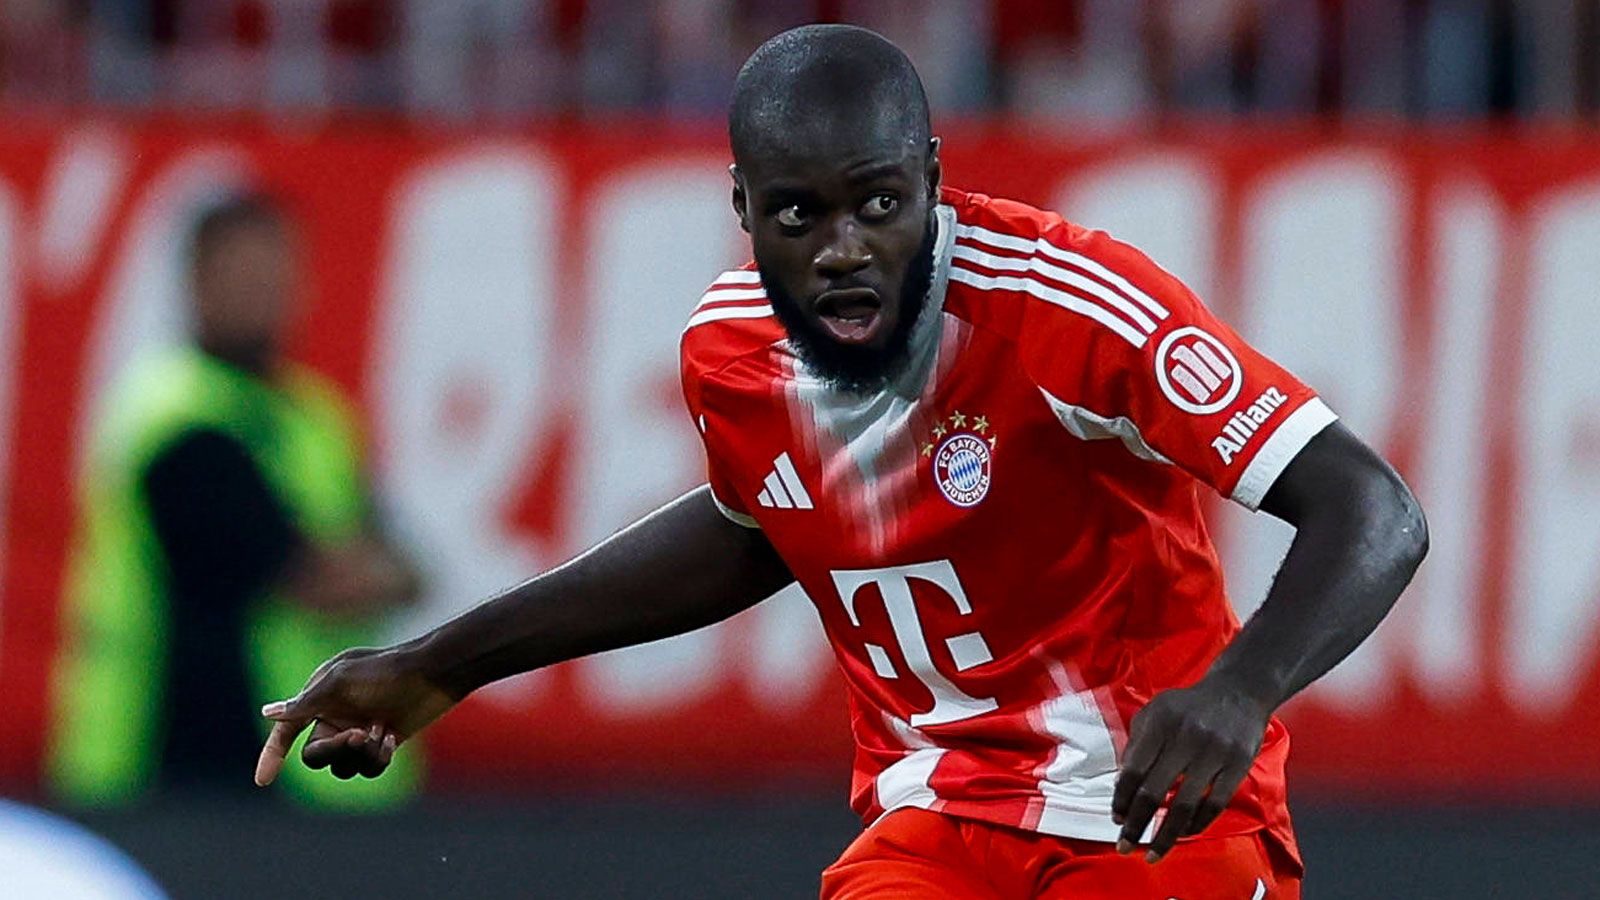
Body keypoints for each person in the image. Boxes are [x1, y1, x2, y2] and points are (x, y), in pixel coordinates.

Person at [253, 25, 1427, 898]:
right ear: (742, 208)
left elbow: (1372, 511)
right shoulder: (730, 356)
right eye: (798, 216)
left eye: (877, 203)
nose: (843, 250)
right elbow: (751, 532)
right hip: (936, 818)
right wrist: (440, 666)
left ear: (931, 178)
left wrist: (1240, 688)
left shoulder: (1073, 306)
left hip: (1154, 818)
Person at [51, 194, 422, 810]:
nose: (262, 292)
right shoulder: (175, 419)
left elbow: (410, 572)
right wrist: (362, 568)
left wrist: (372, 570)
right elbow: (318, 581)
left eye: (275, 273)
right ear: (196, 281)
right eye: (243, 273)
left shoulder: (316, 416)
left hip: (310, 781)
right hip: (175, 773)